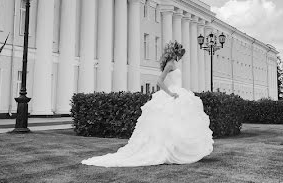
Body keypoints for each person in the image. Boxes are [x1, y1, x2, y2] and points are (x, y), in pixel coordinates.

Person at [81, 40, 214, 167]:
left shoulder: (174, 63)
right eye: (180, 52)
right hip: (173, 94)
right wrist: (170, 93)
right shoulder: (170, 64)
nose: (181, 55)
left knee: (178, 123)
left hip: (178, 93)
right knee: (171, 123)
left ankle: (178, 149)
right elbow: (159, 81)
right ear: (175, 52)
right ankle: (170, 150)